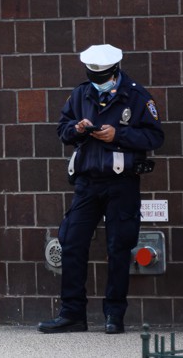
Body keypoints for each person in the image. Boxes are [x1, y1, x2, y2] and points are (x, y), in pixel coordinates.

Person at [38, 44, 164, 335]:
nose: (98, 81)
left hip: (121, 182)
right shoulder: (81, 93)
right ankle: (72, 315)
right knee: (71, 242)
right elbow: (62, 129)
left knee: (118, 247)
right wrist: (78, 129)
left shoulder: (137, 95)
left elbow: (155, 136)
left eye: (103, 76)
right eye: (93, 75)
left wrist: (118, 134)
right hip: (87, 182)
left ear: (115, 71)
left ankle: (114, 316)